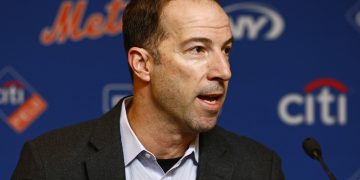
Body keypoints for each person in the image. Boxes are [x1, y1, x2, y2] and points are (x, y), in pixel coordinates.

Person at [12, 0, 284, 179]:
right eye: (198, 49)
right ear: (142, 64)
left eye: (226, 50)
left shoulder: (259, 169)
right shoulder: (49, 165)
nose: (224, 71)